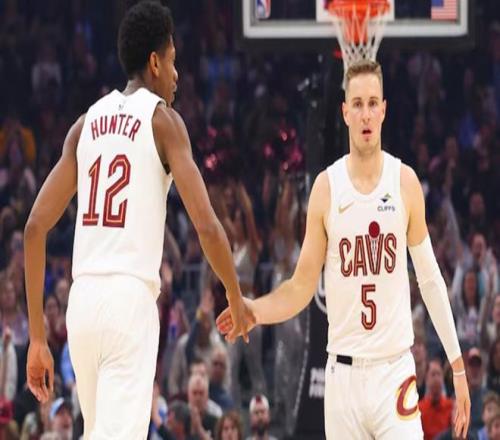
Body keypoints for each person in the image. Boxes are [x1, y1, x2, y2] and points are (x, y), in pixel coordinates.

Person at [23, 2, 252, 439]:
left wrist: (37, 338)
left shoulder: (84, 124)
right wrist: (234, 294)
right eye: (173, 61)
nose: (177, 74)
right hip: (128, 301)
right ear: (154, 62)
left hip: (82, 303)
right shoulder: (164, 122)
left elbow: (34, 227)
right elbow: (206, 225)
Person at [217, 60, 471, 438]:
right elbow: (301, 287)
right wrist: (256, 310)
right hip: (342, 379)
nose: (365, 113)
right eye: (357, 104)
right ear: (345, 112)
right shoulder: (326, 187)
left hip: (394, 373)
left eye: (372, 103)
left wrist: (458, 366)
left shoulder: (404, 182)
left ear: (384, 110)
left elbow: (431, 280)